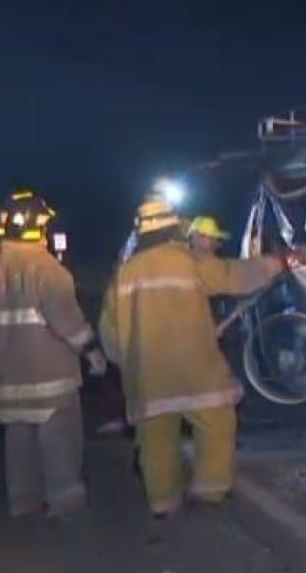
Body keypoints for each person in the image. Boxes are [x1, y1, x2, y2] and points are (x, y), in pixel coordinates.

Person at [99, 194, 287, 518]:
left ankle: (163, 503)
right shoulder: (188, 260)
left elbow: (110, 331)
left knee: (156, 441)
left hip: (150, 377)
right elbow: (234, 276)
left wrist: (128, 365)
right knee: (216, 424)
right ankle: (210, 492)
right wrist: (277, 263)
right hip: (197, 371)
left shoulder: (125, 273)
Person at [0, 190, 106, 517]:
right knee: (60, 441)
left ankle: (23, 501)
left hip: (7, 379)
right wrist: (91, 351)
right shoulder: (47, 269)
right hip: (51, 379)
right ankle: (65, 503)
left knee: (19, 442)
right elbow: (67, 320)